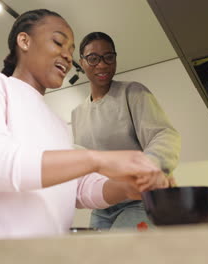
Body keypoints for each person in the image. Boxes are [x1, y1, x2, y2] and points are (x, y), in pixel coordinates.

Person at [0, 10, 168, 240]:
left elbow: (76, 188)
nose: (68, 56)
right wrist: (97, 159)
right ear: (24, 41)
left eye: (71, 50)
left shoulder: (57, 122)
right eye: (58, 42)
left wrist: (128, 188)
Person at [71, 32, 181, 230]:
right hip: (103, 204)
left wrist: (147, 169)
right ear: (82, 62)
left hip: (140, 199)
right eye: (93, 58)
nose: (102, 64)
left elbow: (163, 135)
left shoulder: (133, 92)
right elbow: (83, 160)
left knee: (117, 254)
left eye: (108, 57)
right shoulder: (77, 113)